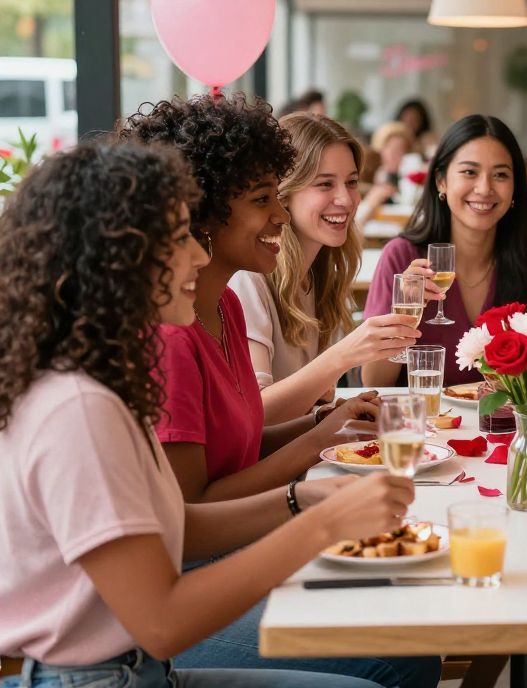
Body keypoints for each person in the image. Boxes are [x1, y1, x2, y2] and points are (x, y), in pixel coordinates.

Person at [0, 140, 412, 687]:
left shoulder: (95, 381)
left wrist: (304, 497)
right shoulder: (79, 408)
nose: (198, 255)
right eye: (178, 239)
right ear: (116, 257)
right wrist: (324, 523)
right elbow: (162, 623)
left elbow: (175, 523)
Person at [119, 95, 441, 687]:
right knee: (401, 648)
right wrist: (308, 489)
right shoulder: (172, 336)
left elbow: (237, 440)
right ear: (205, 212)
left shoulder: (222, 312)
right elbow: (195, 515)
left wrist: (329, 425)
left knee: (413, 631)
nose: (279, 216)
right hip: (187, 593)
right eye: (264, 199)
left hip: (225, 558)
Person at [230, 112, 420, 426]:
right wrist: (343, 355)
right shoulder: (249, 277)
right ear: (285, 193)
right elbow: (256, 417)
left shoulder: (322, 273)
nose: (345, 199)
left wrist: (337, 412)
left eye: (352, 182)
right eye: (325, 184)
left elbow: (309, 408)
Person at [362, 114, 527, 386]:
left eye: (501, 175)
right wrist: (406, 314)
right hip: (424, 424)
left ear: (516, 186)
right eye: (469, 172)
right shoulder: (401, 256)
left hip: (507, 426)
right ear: (441, 181)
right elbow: (374, 383)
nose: (484, 188)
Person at [356, 121, 418, 228]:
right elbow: (358, 221)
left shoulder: (412, 178)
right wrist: (372, 202)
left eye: (400, 149)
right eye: (389, 147)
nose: (393, 153)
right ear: (380, 149)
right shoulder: (368, 174)